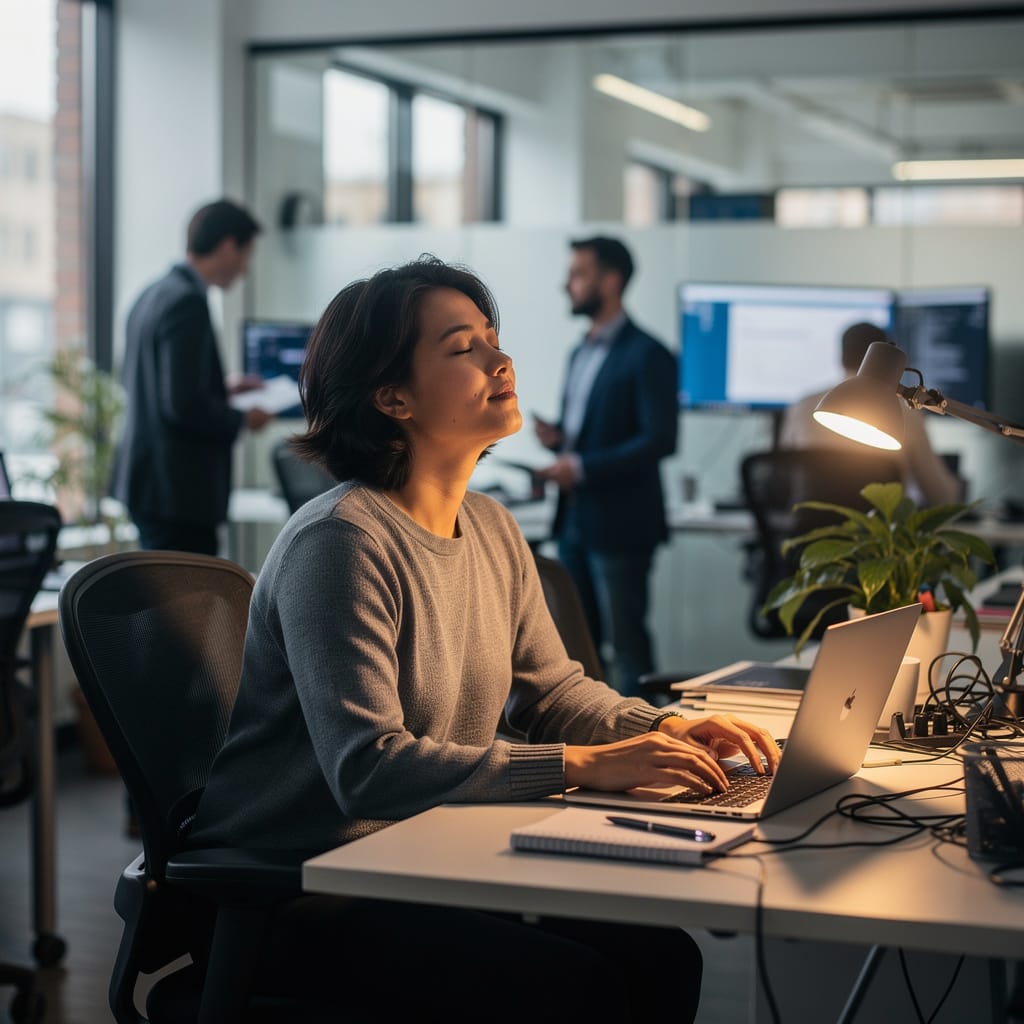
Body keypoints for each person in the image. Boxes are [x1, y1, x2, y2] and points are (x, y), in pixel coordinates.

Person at [188, 255, 779, 1022]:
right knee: (582, 988)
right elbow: (367, 771)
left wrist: (662, 726)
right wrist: (585, 766)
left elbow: (555, 691)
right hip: (306, 887)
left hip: (425, 860)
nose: (501, 360)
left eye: (492, 338)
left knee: (662, 955)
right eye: (463, 347)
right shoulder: (340, 543)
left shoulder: (493, 527)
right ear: (391, 396)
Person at [534, 236, 678, 698]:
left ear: (610, 281)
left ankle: (654, 740)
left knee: (626, 643)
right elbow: (598, 430)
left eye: (578, 274)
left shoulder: (648, 354)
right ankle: (598, 742)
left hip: (620, 522)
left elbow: (659, 440)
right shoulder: (580, 352)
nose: (566, 285)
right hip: (574, 516)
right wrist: (560, 439)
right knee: (578, 648)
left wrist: (583, 467)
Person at [111, 198, 274, 556]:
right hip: (177, 495)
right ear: (228, 245)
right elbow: (182, 406)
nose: (245, 270)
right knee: (186, 608)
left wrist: (223, 388)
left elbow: (148, 384)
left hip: (149, 486)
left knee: (164, 604)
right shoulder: (188, 303)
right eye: (246, 256)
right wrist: (244, 418)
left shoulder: (151, 295)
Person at [778, 321, 961, 506]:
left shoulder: (802, 407)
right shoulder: (906, 414)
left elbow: (781, 483)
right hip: (878, 533)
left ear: (841, 357)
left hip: (809, 532)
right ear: (887, 362)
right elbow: (941, 497)